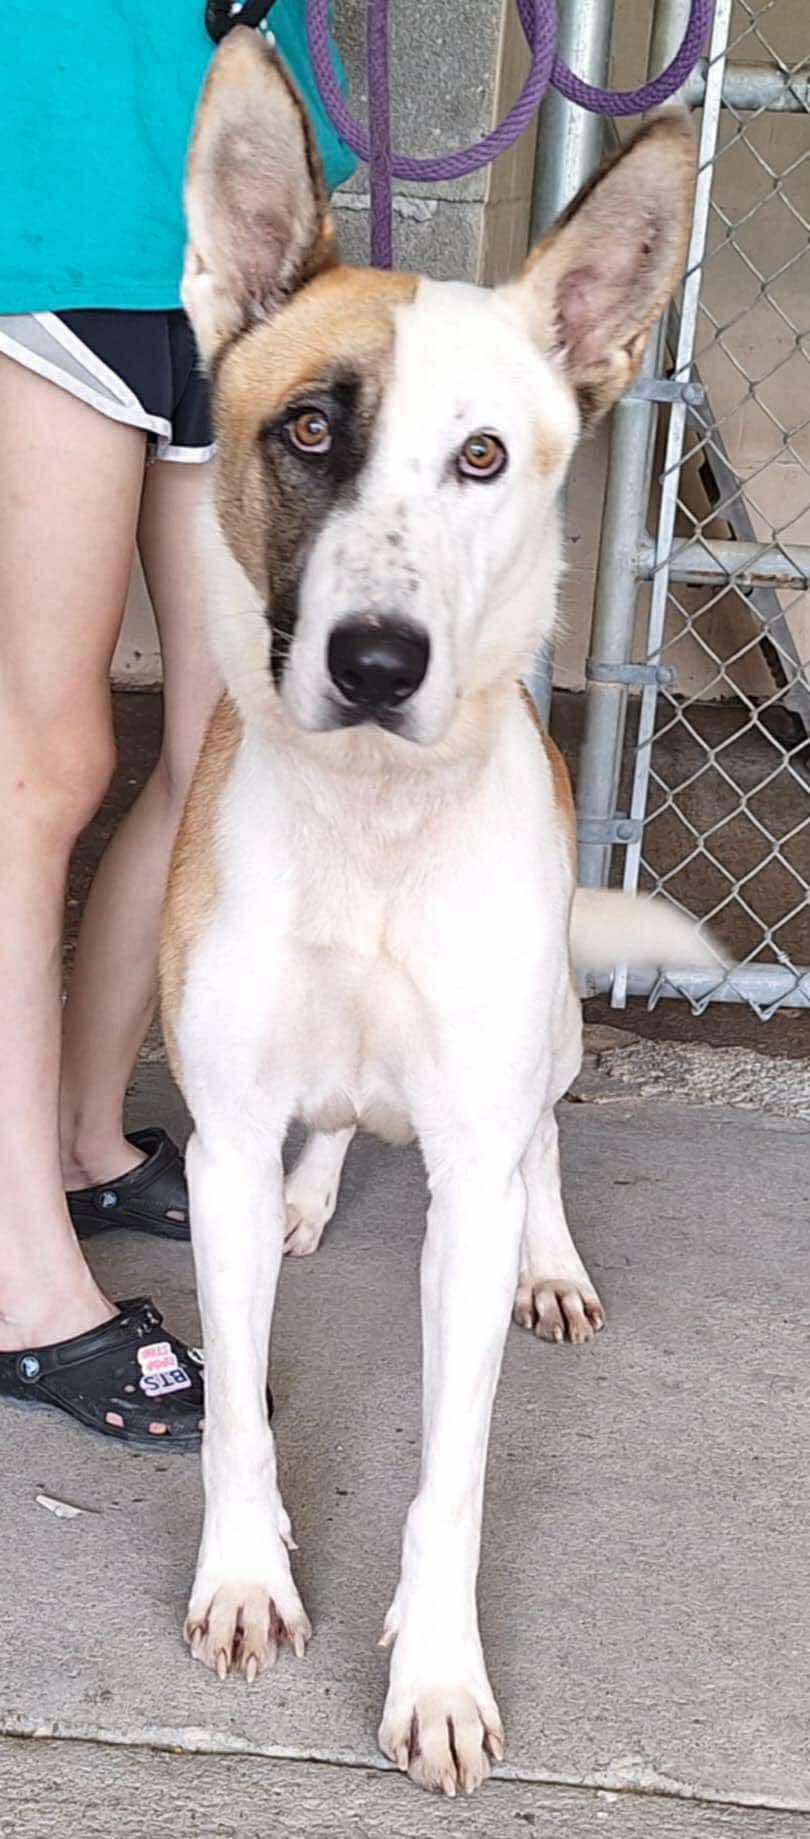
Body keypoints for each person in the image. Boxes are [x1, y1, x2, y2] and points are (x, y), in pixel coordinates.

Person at [0, 1, 354, 1447]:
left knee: (231, 742)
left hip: (241, 209)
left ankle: (87, 1139)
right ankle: (23, 1284)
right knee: (46, 761)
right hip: (49, 186)